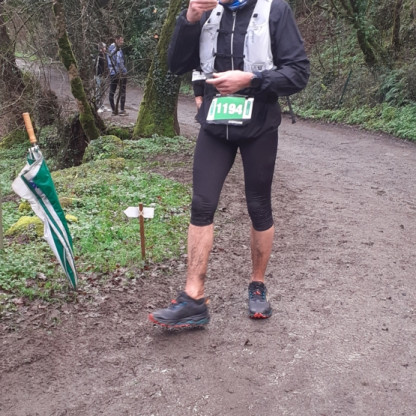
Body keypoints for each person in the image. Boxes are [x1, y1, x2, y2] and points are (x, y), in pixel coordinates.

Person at [149, 0, 310, 328]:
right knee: (201, 204)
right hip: (215, 125)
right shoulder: (205, 11)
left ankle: (257, 284)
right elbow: (177, 65)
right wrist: (190, 18)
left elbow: (298, 73)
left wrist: (251, 79)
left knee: (258, 206)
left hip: (259, 125)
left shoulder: (274, 10)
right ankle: (193, 298)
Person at [107, 35, 128, 116]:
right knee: (115, 91)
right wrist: (123, 71)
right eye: (121, 40)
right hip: (116, 73)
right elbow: (118, 61)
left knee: (118, 91)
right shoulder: (113, 49)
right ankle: (117, 110)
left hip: (117, 72)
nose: (122, 42)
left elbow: (121, 60)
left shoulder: (117, 49)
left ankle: (118, 110)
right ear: (116, 40)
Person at [94, 42, 107, 113]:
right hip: (98, 76)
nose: (105, 49)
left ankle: (102, 105)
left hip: (103, 76)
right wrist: (98, 75)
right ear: (101, 48)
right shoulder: (98, 56)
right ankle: (97, 106)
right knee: (98, 91)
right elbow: (96, 67)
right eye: (104, 47)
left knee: (102, 91)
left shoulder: (104, 56)